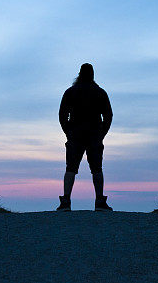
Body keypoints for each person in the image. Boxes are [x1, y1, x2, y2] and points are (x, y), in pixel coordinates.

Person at [57, 63, 113, 211]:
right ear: (92, 75)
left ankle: (66, 202)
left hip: (75, 134)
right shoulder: (100, 92)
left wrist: (68, 131)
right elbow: (108, 115)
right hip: (94, 135)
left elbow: (62, 115)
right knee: (97, 169)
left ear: (79, 74)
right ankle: (99, 201)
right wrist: (102, 133)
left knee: (70, 168)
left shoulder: (70, 92)